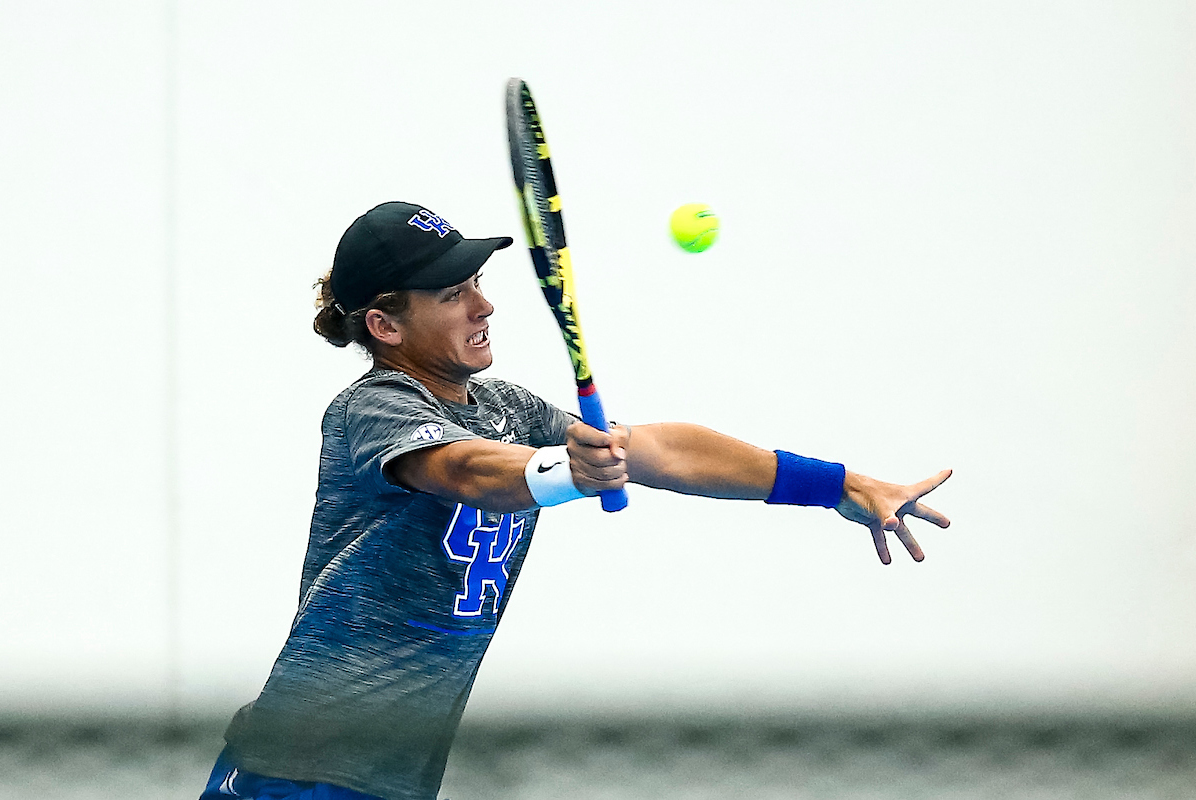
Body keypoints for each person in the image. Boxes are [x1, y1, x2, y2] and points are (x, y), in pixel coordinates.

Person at [200, 201, 952, 800]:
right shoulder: (370, 409)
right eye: (452, 294)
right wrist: (562, 472)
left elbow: (661, 450)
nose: (483, 306)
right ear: (386, 324)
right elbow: (464, 472)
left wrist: (842, 485)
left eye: (478, 286)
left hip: (393, 779)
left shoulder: (506, 406)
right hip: (296, 770)